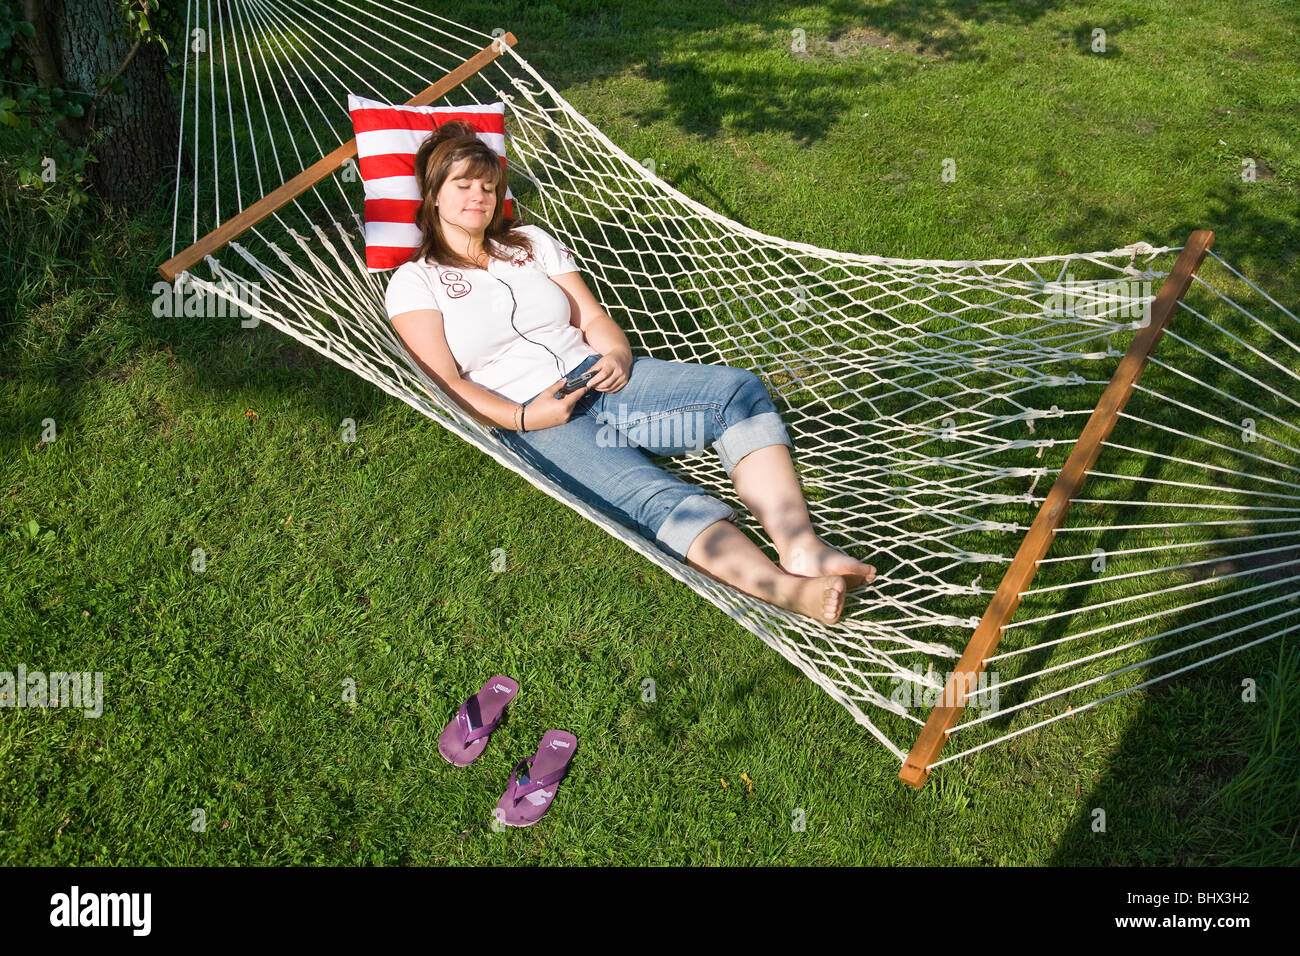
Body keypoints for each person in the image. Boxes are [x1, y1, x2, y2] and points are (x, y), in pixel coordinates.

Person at [384, 121, 876, 624]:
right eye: (463, 186)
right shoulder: (415, 281)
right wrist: (524, 417)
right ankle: (787, 591)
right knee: (651, 496)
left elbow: (591, 317)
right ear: (434, 196)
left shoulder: (529, 242)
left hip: (603, 378)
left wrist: (617, 355)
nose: (479, 197)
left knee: (736, 392)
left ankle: (800, 546)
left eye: (489, 187)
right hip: (533, 415)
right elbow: (447, 382)